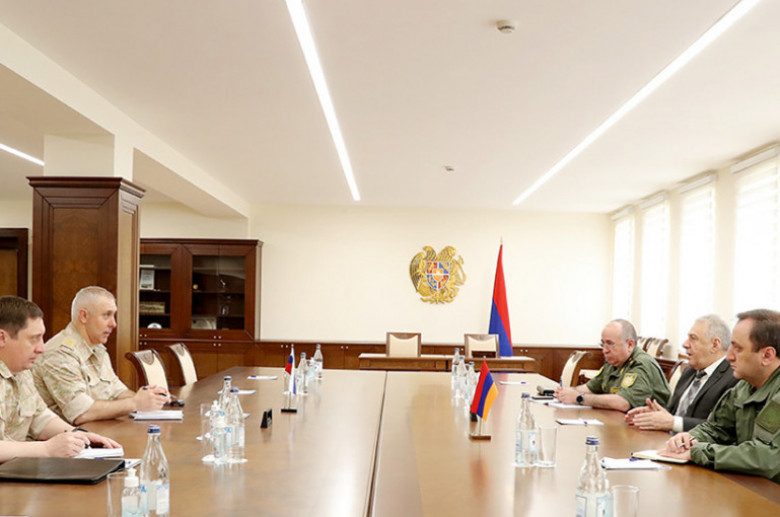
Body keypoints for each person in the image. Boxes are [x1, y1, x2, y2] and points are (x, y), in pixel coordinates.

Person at [661, 309, 780, 483]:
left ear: (767, 356)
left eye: (738, 348)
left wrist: (698, 452)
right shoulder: (745, 386)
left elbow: (767, 457)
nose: (729, 356)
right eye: (731, 346)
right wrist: (690, 438)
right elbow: (717, 428)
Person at [0, 296, 119, 462]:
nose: (41, 348)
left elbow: (39, 417)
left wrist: (79, 436)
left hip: (17, 469)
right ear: (2, 338)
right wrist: (47, 449)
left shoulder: (21, 370)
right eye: (33, 339)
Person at [33, 286, 169, 425]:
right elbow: (81, 413)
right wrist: (136, 403)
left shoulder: (97, 348)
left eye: (113, 315)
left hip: (98, 430)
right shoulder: (60, 354)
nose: (113, 324)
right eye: (106, 315)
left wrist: (151, 398)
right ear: (84, 316)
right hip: (68, 435)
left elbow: (117, 392)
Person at [626, 314, 738, 432]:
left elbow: (722, 428)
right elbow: (674, 414)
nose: (685, 344)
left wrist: (673, 422)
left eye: (693, 338)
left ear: (715, 345)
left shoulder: (733, 378)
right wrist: (655, 415)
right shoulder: (690, 371)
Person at [554, 319, 670, 412]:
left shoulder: (641, 364)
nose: (605, 350)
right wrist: (566, 392)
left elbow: (623, 403)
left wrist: (579, 398)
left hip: (653, 430)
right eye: (603, 344)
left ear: (629, 345)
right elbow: (590, 388)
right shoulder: (614, 361)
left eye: (610, 344)